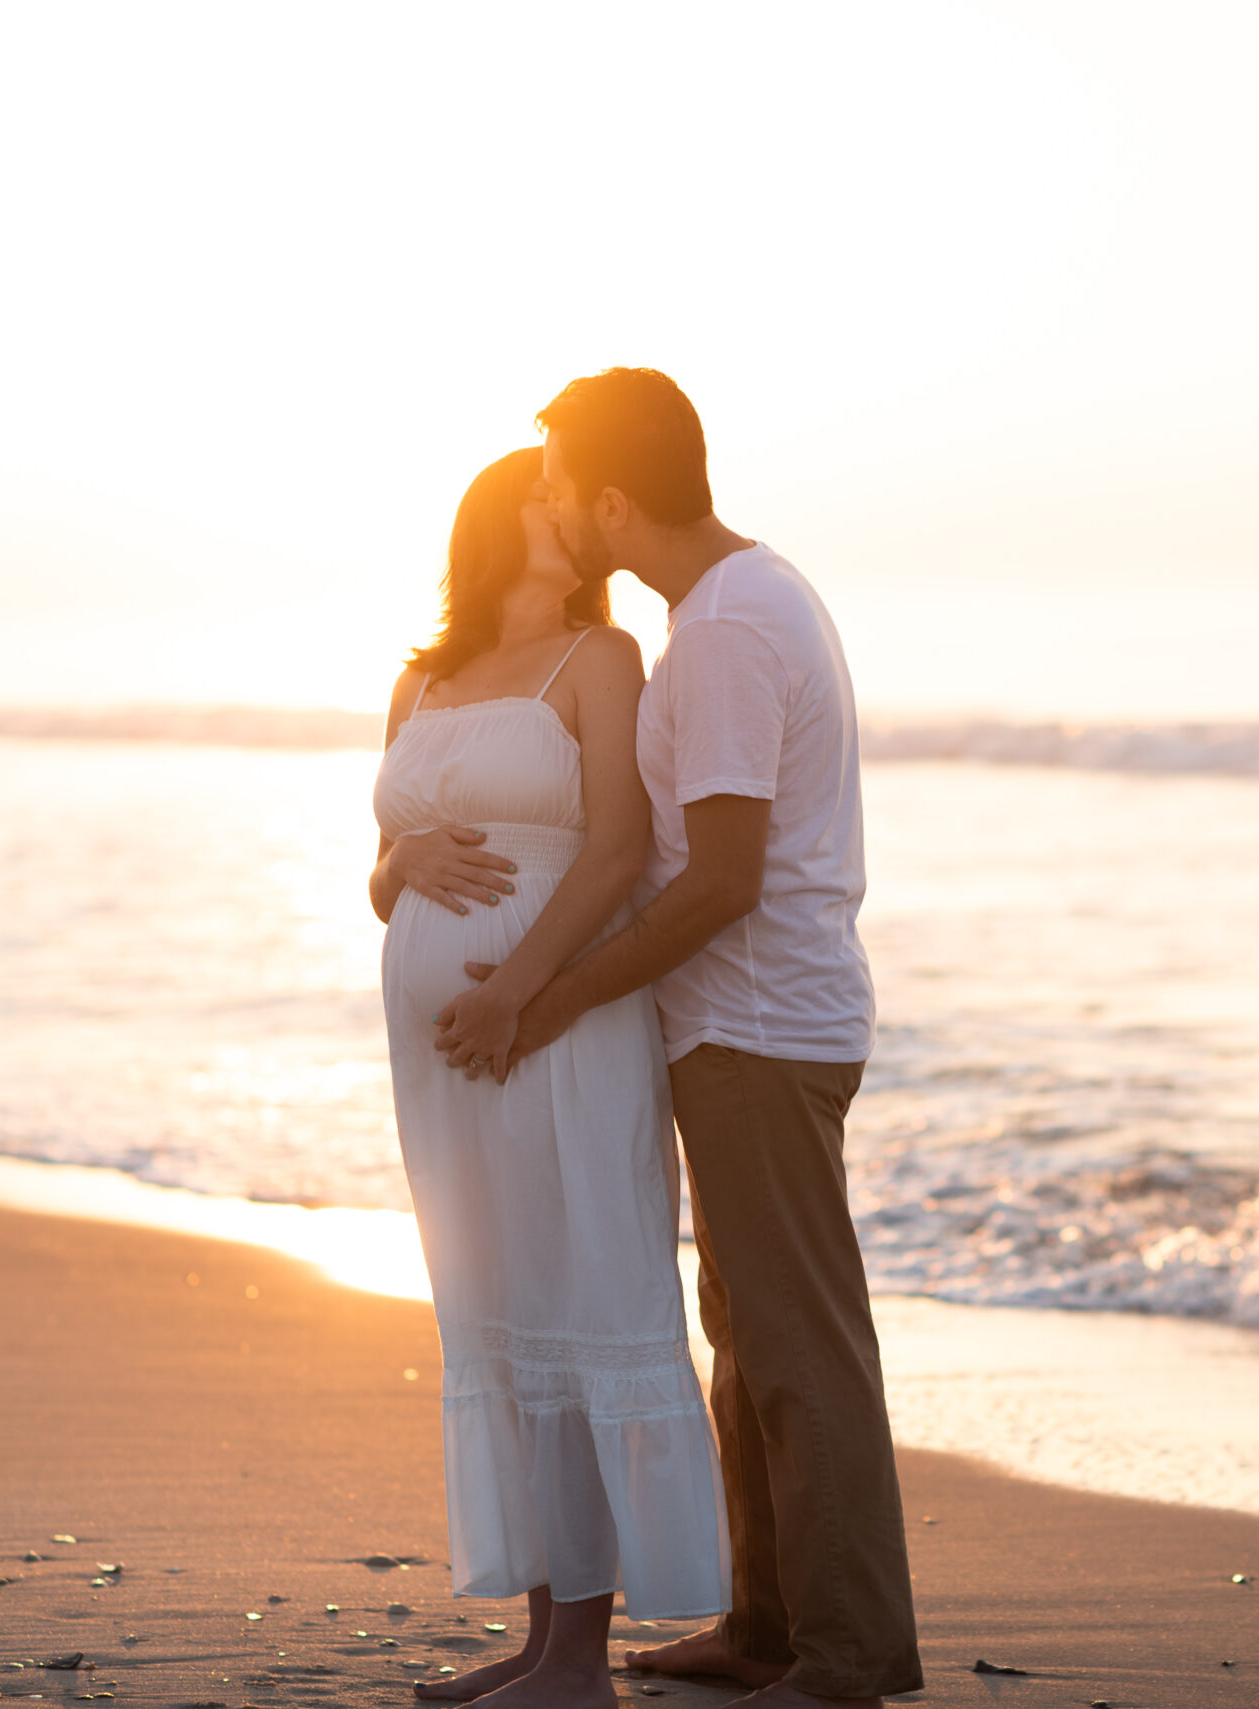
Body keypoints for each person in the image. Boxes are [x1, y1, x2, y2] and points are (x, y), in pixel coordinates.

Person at [441, 369, 921, 1709]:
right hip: (736, 1030)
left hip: (762, 1031)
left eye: (554, 487)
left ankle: (844, 1660)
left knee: (799, 1348)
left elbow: (721, 879)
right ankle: (767, 1627)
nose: (542, 509)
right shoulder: (732, 604)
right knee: (747, 1334)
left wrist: (562, 991)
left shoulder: (718, 637)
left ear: (609, 500)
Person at [371, 444, 727, 1709]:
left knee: (581, 1294)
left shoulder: (602, 660)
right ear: (490, 521)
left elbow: (622, 851)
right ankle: (536, 1639)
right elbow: (377, 878)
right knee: (502, 1308)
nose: (566, 511)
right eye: (542, 492)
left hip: (556, 1025)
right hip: (445, 1056)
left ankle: (580, 1659)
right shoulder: (422, 676)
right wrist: (403, 859)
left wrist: (515, 987)